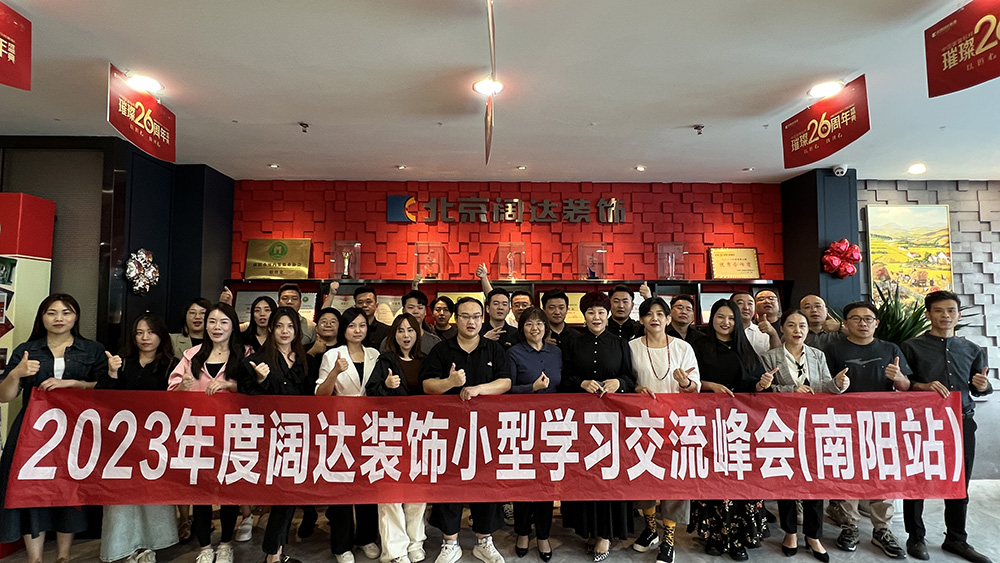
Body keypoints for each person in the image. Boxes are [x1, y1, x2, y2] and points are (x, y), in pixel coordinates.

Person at [0, 294, 107, 563]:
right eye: (52, 313)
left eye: (66, 312)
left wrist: (75, 384)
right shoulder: (27, 350)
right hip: (33, 430)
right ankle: (34, 558)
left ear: (76, 317)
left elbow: (107, 389)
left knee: (67, 489)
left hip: (75, 429)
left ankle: (63, 556)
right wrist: (16, 373)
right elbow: (4, 396)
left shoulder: (92, 349)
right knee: (29, 489)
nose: (59, 318)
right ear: (42, 317)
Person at [900, 291, 993, 563]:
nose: (945, 316)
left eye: (951, 310)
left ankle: (956, 539)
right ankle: (915, 536)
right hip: (922, 422)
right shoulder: (911, 347)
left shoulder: (973, 349)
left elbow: (979, 388)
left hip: (961, 421)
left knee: (959, 480)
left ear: (959, 314)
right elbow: (902, 385)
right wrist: (922, 386)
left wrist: (984, 386)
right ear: (928, 314)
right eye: (939, 310)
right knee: (916, 478)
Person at [420, 297, 511, 563]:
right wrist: (450, 382)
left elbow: (506, 381)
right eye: (465, 316)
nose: (471, 321)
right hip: (450, 431)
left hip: (487, 430)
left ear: (482, 318)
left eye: (475, 316)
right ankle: (450, 542)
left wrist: (479, 389)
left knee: (486, 483)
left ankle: (484, 540)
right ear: (456, 319)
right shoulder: (442, 349)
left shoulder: (493, 349)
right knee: (450, 484)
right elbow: (426, 385)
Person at [823, 301, 912, 559]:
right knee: (848, 473)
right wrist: (835, 382)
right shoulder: (833, 349)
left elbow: (906, 386)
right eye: (856, 318)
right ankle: (849, 526)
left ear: (876, 323)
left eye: (868, 318)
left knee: (882, 474)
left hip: (882, 423)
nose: (862, 323)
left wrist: (899, 378)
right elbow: (824, 385)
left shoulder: (890, 349)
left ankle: (882, 529)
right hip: (845, 422)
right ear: (845, 323)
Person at [760, 310, 850, 563]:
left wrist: (839, 384)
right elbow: (765, 391)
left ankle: (813, 535)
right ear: (782, 329)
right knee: (786, 478)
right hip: (783, 425)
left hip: (813, 425)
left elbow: (824, 386)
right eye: (791, 325)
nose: (797, 330)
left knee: (814, 480)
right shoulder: (770, 357)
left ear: (808, 330)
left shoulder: (817, 355)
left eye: (802, 326)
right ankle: (790, 532)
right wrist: (791, 389)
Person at [690, 299, 775, 561]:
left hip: (741, 427)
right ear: (712, 318)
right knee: (713, 481)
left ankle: (740, 537)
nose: (725, 322)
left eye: (730, 318)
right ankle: (715, 535)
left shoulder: (746, 348)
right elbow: (689, 381)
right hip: (710, 424)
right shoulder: (699, 346)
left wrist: (762, 385)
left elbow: (756, 387)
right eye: (720, 317)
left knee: (742, 481)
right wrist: (710, 386)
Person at [96, 313, 180, 563]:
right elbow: (102, 398)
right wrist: (111, 373)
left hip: (156, 441)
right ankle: (124, 547)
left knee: (152, 494)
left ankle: (151, 545)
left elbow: (175, 403)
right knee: (121, 496)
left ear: (161, 335)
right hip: (122, 442)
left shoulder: (172, 364)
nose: (145, 338)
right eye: (139, 333)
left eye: (151, 332)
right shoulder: (122, 362)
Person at [559, 291, 636, 563]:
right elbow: (564, 378)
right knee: (584, 473)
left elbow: (631, 379)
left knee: (609, 474)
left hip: (612, 422)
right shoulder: (572, 343)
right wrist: (581, 383)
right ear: (584, 315)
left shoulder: (620, 343)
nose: (596, 317)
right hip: (581, 421)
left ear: (608, 314)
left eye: (601, 312)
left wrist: (619, 383)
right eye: (591, 312)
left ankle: (606, 533)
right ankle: (589, 529)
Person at [168, 303, 245, 563]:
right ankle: (204, 547)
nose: (216, 327)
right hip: (198, 433)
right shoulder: (192, 355)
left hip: (233, 433)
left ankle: (226, 544)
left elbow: (255, 391)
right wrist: (183, 386)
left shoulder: (244, 354)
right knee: (200, 492)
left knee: (229, 490)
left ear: (233, 326)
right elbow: (171, 392)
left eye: (223, 322)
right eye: (212, 321)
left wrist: (229, 386)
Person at [238, 307, 311, 563]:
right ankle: (272, 554)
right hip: (270, 437)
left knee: (291, 494)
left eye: (290, 326)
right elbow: (246, 398)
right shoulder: (258, 360)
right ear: (271, 329)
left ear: (297, 330)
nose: (284, 331)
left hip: (298, 435)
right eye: (279, 326)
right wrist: (260, 381)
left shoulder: (303, 359)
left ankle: (277, 552)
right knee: (283, 494)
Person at [630, 297, 700, 563]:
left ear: (669, 319)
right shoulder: (632, 347)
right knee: (644, 476)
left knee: (674, 480)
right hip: (642, 424)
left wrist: (685, 384)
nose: (655, 318)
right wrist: (637, 388)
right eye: (649, 314)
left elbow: (696, 387)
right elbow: (627, 381)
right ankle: (650, 529)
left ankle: (668, 538)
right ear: (641, 319)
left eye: (661, 314)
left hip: (676, 423)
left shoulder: (683, 347)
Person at [316, 307, 382, 563]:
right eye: (352, 326)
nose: (357, 330)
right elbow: (320, 394)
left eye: (362, 325)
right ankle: (341, 545)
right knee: (342, 486)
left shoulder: (375, 354)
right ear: (344, 329)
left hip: (370, 426)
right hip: (341, 427)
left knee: (368, 483)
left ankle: (366, 537)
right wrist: (335, 372)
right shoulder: (332, 355)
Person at [366, 313, 428, 563]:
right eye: (401, 330)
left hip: (419, 433)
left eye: (410, 330)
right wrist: (387, 386)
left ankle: (415, 542)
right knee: (390, 493)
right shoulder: (385, 360)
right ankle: (394, 550)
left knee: (417, 491)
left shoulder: (425, 360)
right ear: (393, 335)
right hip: (389, 434)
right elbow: (371, 393)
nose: (406, 335)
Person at [506, 307, 562, 562]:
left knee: (546, 484)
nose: (535, 328)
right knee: (523, 482)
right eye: (529, 324)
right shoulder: (513, 353)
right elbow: (508, 388)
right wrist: (532, 387)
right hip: (522, 426)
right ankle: (522, 532)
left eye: (539, 323)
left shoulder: (556, 352)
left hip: (551, 426)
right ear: (522, 328)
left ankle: (543, 535)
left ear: (546, 327)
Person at [384, 290, 441, 355]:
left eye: (420, 308)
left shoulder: (435, 342)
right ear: (403, 311)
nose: (416, 311)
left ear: (425, 311)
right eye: (411, 307)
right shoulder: (389, 341)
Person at [732, 291, 778, 357]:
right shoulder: (724, 330)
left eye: (750, 304)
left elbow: (776, 357)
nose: (746, 307)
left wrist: (773, 334)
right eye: (740, 303)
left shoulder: (763, 334)